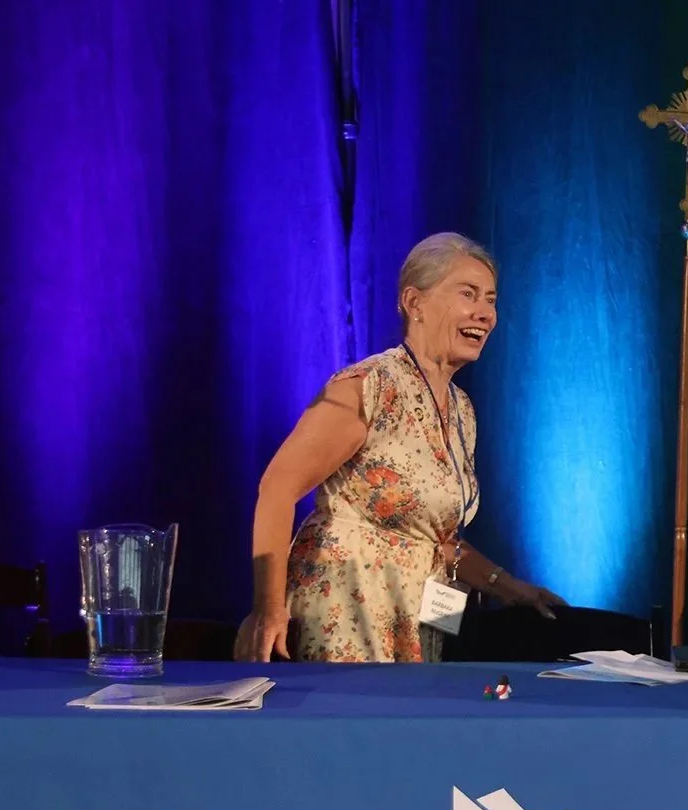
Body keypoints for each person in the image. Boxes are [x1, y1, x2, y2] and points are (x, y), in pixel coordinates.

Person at [235, 232, 564, 663]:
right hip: (347, 612)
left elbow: (435, 539)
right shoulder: (369, 387)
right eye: (468, 294)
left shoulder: (462, 410)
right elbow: (277, 488)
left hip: (416, 620)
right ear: (414, 303)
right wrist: (268, 608)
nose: (485, 313)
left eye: (490, 299)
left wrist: (511, 587)